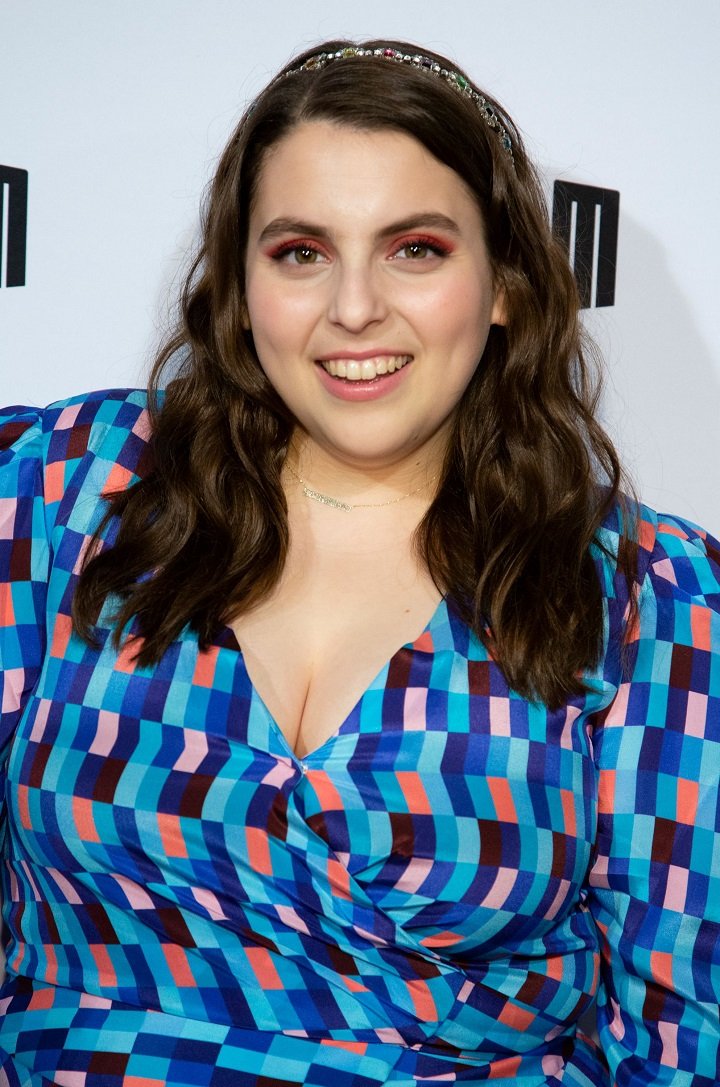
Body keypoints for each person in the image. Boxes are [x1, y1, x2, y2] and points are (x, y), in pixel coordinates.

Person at [0, 38, 718, 1087]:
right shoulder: (59, 497)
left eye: (414, 248)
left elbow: (682, 1038)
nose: (353, 309)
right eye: (301, 252)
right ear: (242, 288)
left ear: (506, 280)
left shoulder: (645, 600)